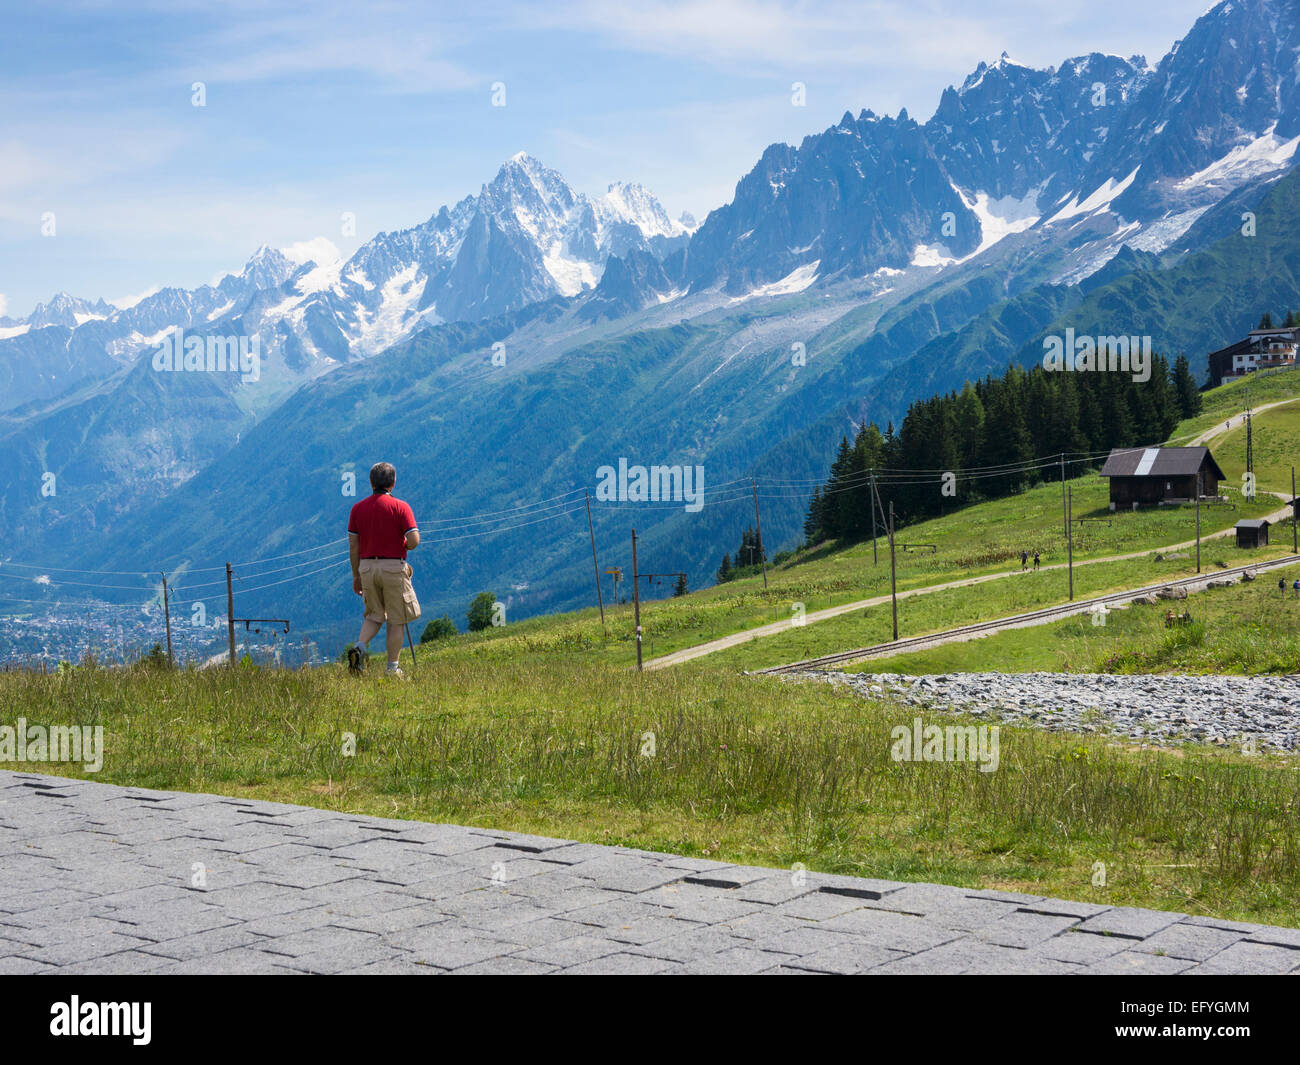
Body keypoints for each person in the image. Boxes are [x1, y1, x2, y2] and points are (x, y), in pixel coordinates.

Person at [347, 462, 420, 676]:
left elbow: (354, 545)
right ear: (393, 483)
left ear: (371, 483)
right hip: (392, 567)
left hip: (367, 567)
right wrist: (405, 546)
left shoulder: (357, 509)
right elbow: (414, 539)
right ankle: (392, 669)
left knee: (373, 615)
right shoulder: (400, 507)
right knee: (397, 619)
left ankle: (359, 648)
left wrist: (356, 575)